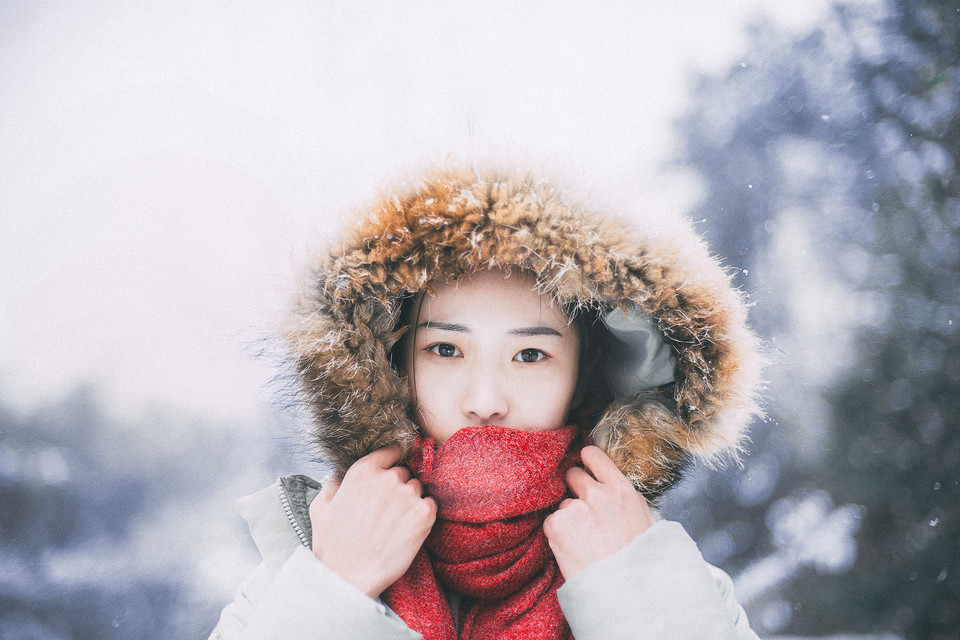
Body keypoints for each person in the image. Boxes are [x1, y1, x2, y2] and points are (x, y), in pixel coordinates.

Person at [209, 165, 764, 639]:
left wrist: (638, 595)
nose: (485, 400)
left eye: (530, 355)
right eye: (446, 349)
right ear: (394, 369)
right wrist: (334, 588)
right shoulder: (303, 567)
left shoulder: (653, 568)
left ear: (586, 376)